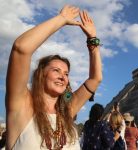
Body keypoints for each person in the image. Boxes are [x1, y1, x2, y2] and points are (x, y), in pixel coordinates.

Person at [6, 5, 102, 150]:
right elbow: (21, 49)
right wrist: (61, 19)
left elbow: (95, 79)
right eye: (56, 70)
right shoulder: (22, 106)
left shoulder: (67, 111)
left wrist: (92, 40)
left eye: (66, 73)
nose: (63, 77)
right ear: (41, 74)